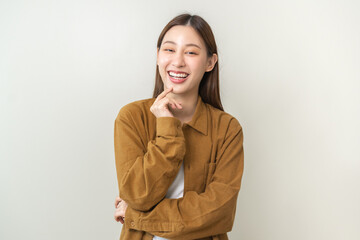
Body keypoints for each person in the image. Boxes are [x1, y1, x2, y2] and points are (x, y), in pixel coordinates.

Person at [113, 14, 244, 240]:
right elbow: (137, 195)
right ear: (157, 56)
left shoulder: (227, 129)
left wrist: (136, 217)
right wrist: (166, 126)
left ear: (210, 62)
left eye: (191, 52)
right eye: (169, 50)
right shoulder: (132, 117)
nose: (178, 61)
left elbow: (218, 213)